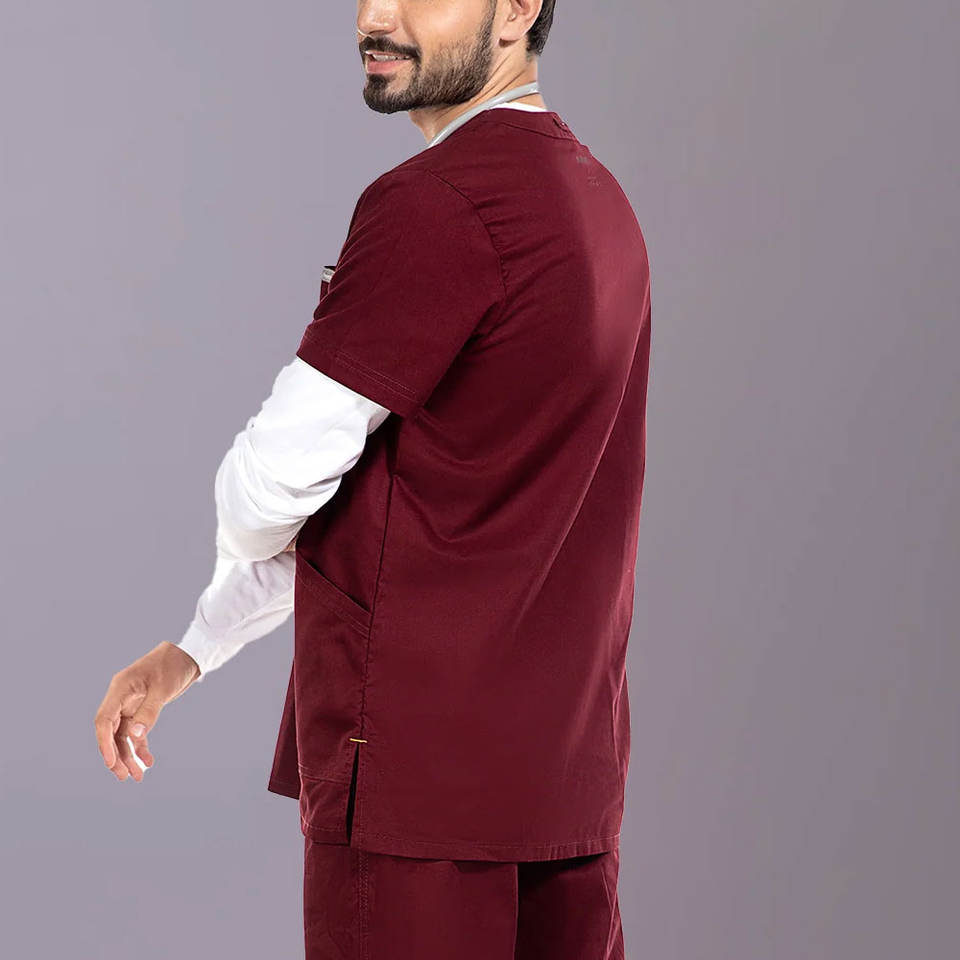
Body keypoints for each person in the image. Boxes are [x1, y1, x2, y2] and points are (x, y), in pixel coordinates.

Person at [94, 2, 651, 957]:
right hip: (560, 784)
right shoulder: (599, 203)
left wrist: (247, 519)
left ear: (520, 8)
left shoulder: (437, 203)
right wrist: (194, 649)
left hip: (416, 798)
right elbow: (423, 497)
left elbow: (273, 485)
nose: (376, 16)